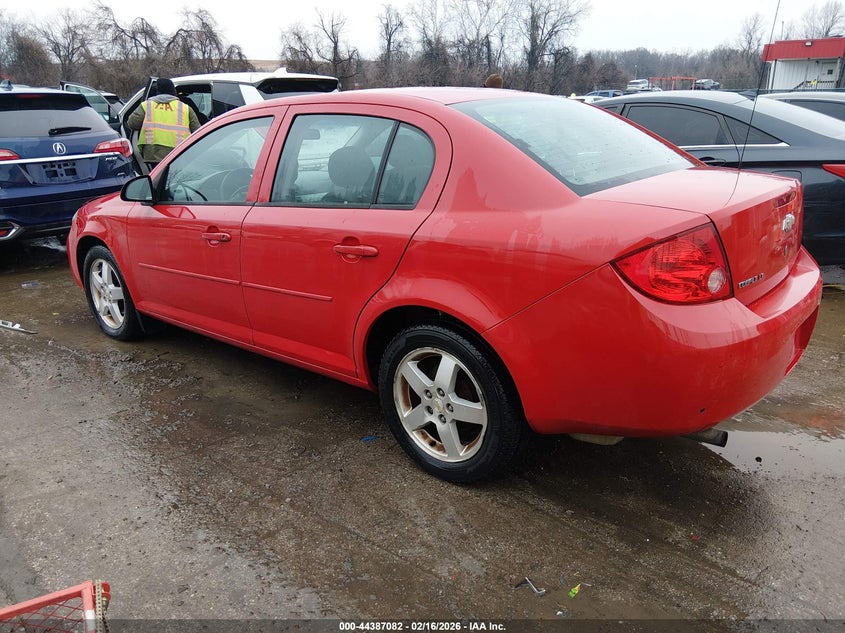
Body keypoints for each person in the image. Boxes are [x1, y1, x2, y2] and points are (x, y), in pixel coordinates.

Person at [127, 77, 200, 169]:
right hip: (178, 153)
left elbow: (132, 124)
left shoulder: (147, 105)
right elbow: (198, 131)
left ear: (157, 91)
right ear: (173, 91)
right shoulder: (185, 108)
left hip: (153, 154)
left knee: (158, 180)